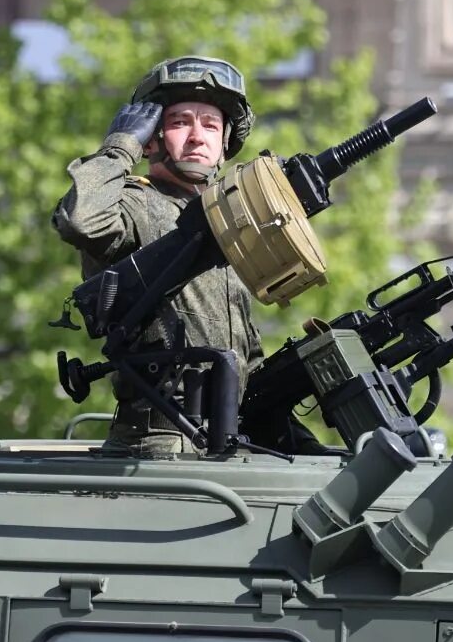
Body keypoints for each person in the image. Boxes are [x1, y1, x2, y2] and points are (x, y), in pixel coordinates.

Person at [52, 56, 318, 457]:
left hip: (223, 445)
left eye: (210, 125)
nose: (198, 136)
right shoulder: (136, 205)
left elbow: (246, 357)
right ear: (152, 139)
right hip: (155, 448)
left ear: (225, 143)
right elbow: (79, 220)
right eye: (180, 123)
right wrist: (121, 147)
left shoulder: (227, 224)